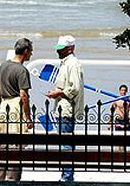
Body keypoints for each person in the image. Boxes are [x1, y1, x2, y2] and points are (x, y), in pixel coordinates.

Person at [0, 38, 34, 181]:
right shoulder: (22, 70)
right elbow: (23, 95)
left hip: (4, 106)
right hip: (16, 106)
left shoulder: (3, 66)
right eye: (30, 52)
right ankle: (12, 179)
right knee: (16, 145)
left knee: (3, 144)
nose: (31, 55)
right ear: (25, 51)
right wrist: (28, 116)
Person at [46, 35, 84, 182]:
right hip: (63, 107)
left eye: (61, 49)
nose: (58, 52)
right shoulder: (65, 63)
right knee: (65, 144)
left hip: (67, 109)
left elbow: (74, 88)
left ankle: (67, 177)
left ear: (70, 48)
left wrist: (58, 93)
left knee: (66, 145)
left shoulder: (72, 64)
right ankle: (66, 175)